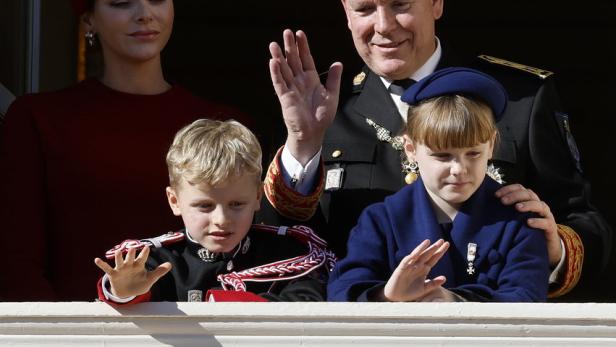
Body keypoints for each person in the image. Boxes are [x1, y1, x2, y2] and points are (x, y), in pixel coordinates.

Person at [261, 0, 612, 298]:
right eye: (365, 8)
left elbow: (588, 222)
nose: (383, 26)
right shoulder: (322, 106)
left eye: (400, 4)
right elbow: (278, 243)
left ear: (436, 4)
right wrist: (303, 143)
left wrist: (554, 249)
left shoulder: (520, 99)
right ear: (346, 13)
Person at [0, 0, 251, 301]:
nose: (144, 14)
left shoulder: (220, 126)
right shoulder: (37, 119)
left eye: (157, 0)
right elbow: (16, 263)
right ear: (89, 19)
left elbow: (249, 255)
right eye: (121, 2)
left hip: (195, 333)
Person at [328, 67, 549, 302]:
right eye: (443, 156)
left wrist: (453, 301)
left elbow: (526, 297)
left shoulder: (515, 221)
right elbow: (343, 290)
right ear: (411, 149)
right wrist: (387, 296)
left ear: (491, 145)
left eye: (473, 153)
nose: (459, 169)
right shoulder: (382, 219)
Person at [94, 119, 334, 304]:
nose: (222, 220)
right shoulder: (158, 261)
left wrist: (224, 305)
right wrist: (124, 291)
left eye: (237, 204)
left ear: (258, 197)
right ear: (174, 200)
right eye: (205, 206)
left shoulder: (287, 254)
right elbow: (128, 299)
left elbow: (308, 302)